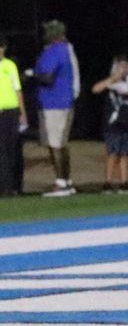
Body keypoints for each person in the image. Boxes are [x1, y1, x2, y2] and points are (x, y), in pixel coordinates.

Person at [34, 20, 80, 197]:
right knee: (61, 144)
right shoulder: (66, 49)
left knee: (55, 144)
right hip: (61, 101)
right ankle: (66, 181)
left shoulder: (56, 50)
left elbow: (48, 78)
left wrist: (32, 74)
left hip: (55, 103)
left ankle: (61, 183)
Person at [92, 56, 128, 194]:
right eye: (120, 66)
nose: (123, 69)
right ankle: (108, 182)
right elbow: (95, 89)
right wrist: (113, 80)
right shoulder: (111, 83)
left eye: (125, 66)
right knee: (112, 152)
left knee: (124, 153)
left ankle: (124, 182)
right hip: (112, 124)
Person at [0, 36, 28, 197]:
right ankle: (5, 186)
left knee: (12, 149)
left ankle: (12, 186)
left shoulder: (9, 66)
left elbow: (18, 90)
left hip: (11, 111)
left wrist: (22, 113)